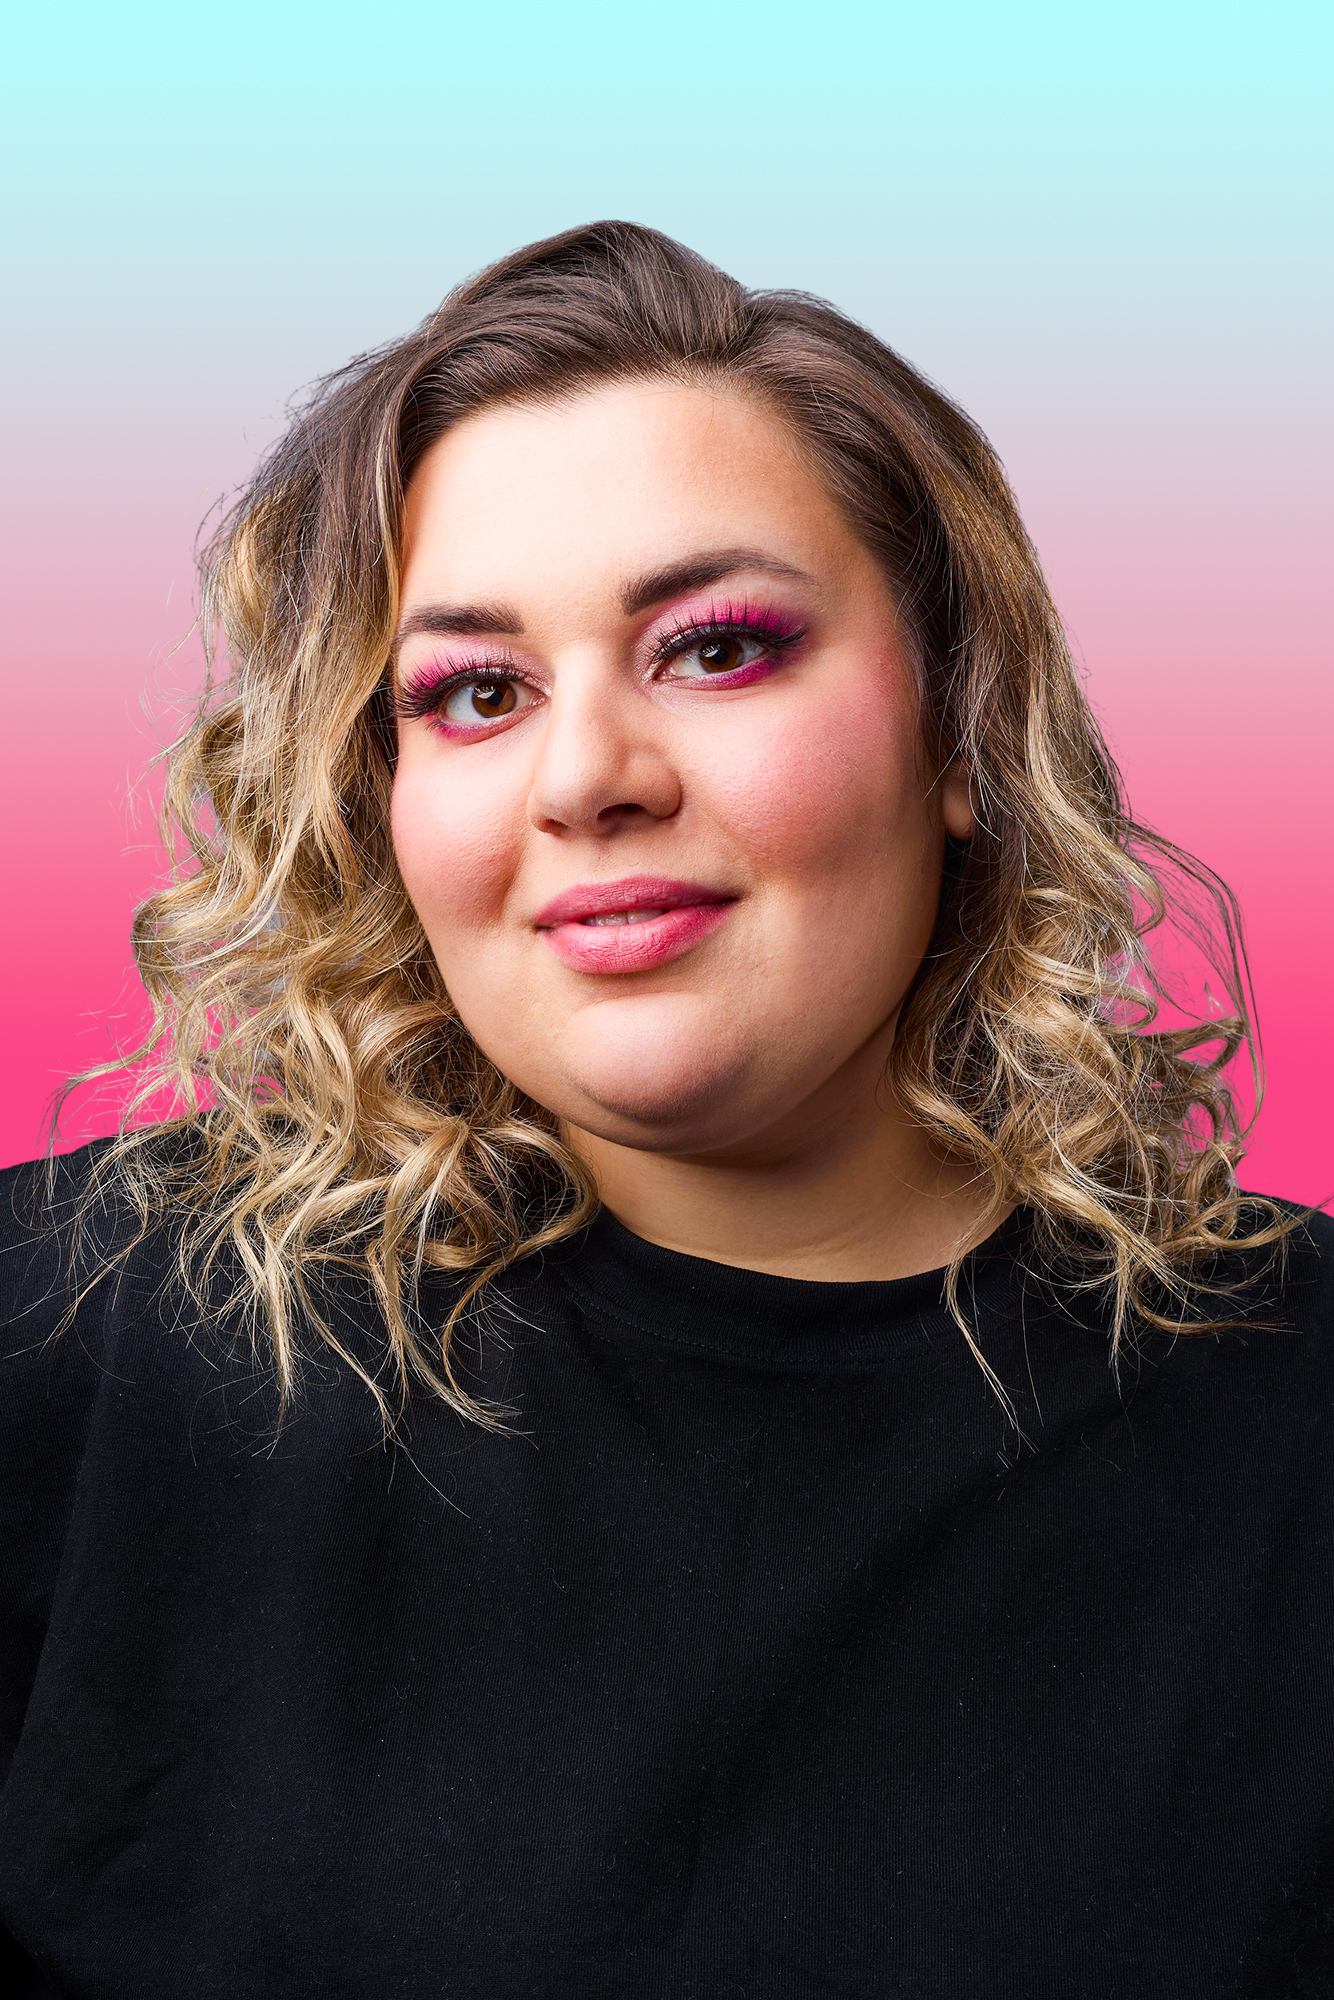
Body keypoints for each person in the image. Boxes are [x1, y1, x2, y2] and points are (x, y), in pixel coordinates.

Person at [1, 221, 1329, 1999]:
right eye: (475, 693)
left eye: (713, 650)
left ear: (960, 729)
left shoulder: (1294, 1411)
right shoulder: (75, 1327)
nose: (587, 779)